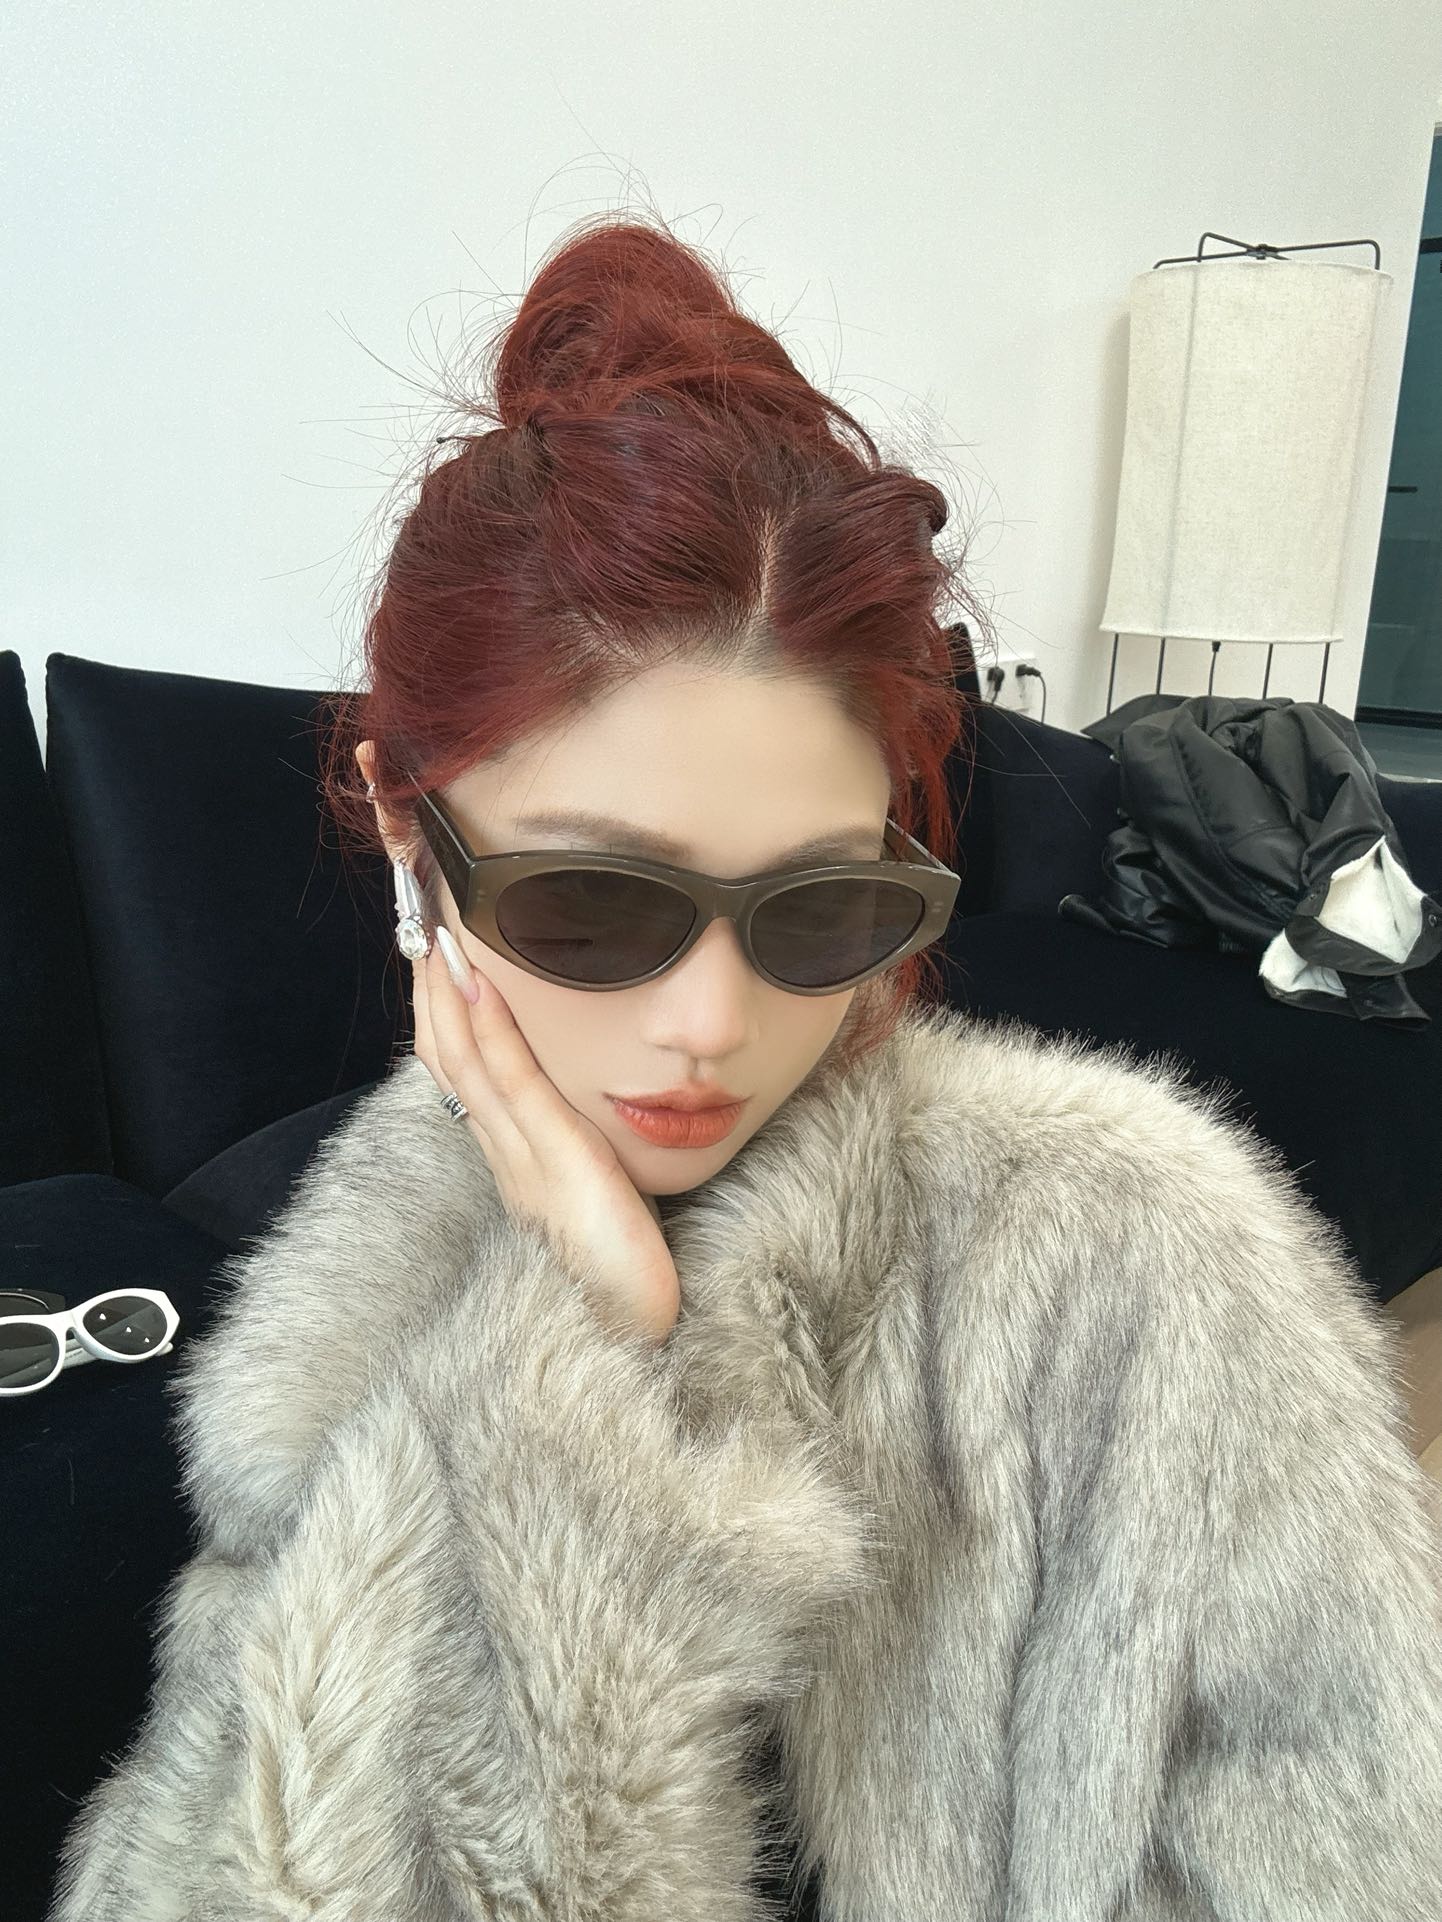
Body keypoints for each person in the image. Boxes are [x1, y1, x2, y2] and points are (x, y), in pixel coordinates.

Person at [49, 216, 1442, 1922]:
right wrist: (574, 1358)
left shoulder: (1140, 1270)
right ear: (413, 837)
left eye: (822, 905)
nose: (710, 1022)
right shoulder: (354, 1297)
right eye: (590, 901)